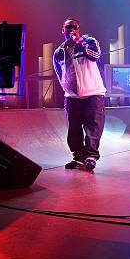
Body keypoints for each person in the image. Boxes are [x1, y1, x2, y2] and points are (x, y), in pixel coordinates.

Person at [53, 18, 106, 171]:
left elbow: (95, 56)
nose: (72, 30)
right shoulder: (59, 52)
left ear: (78, 28)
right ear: (63, 29)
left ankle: (90, 156)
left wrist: (81, 43)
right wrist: (67, 89)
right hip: (72, 97)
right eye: (68, 27)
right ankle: (78, 157)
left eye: (74, 27)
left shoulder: (89, 41)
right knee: (74, 129)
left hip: (93, 93)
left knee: (93, 126)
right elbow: (59, 73)